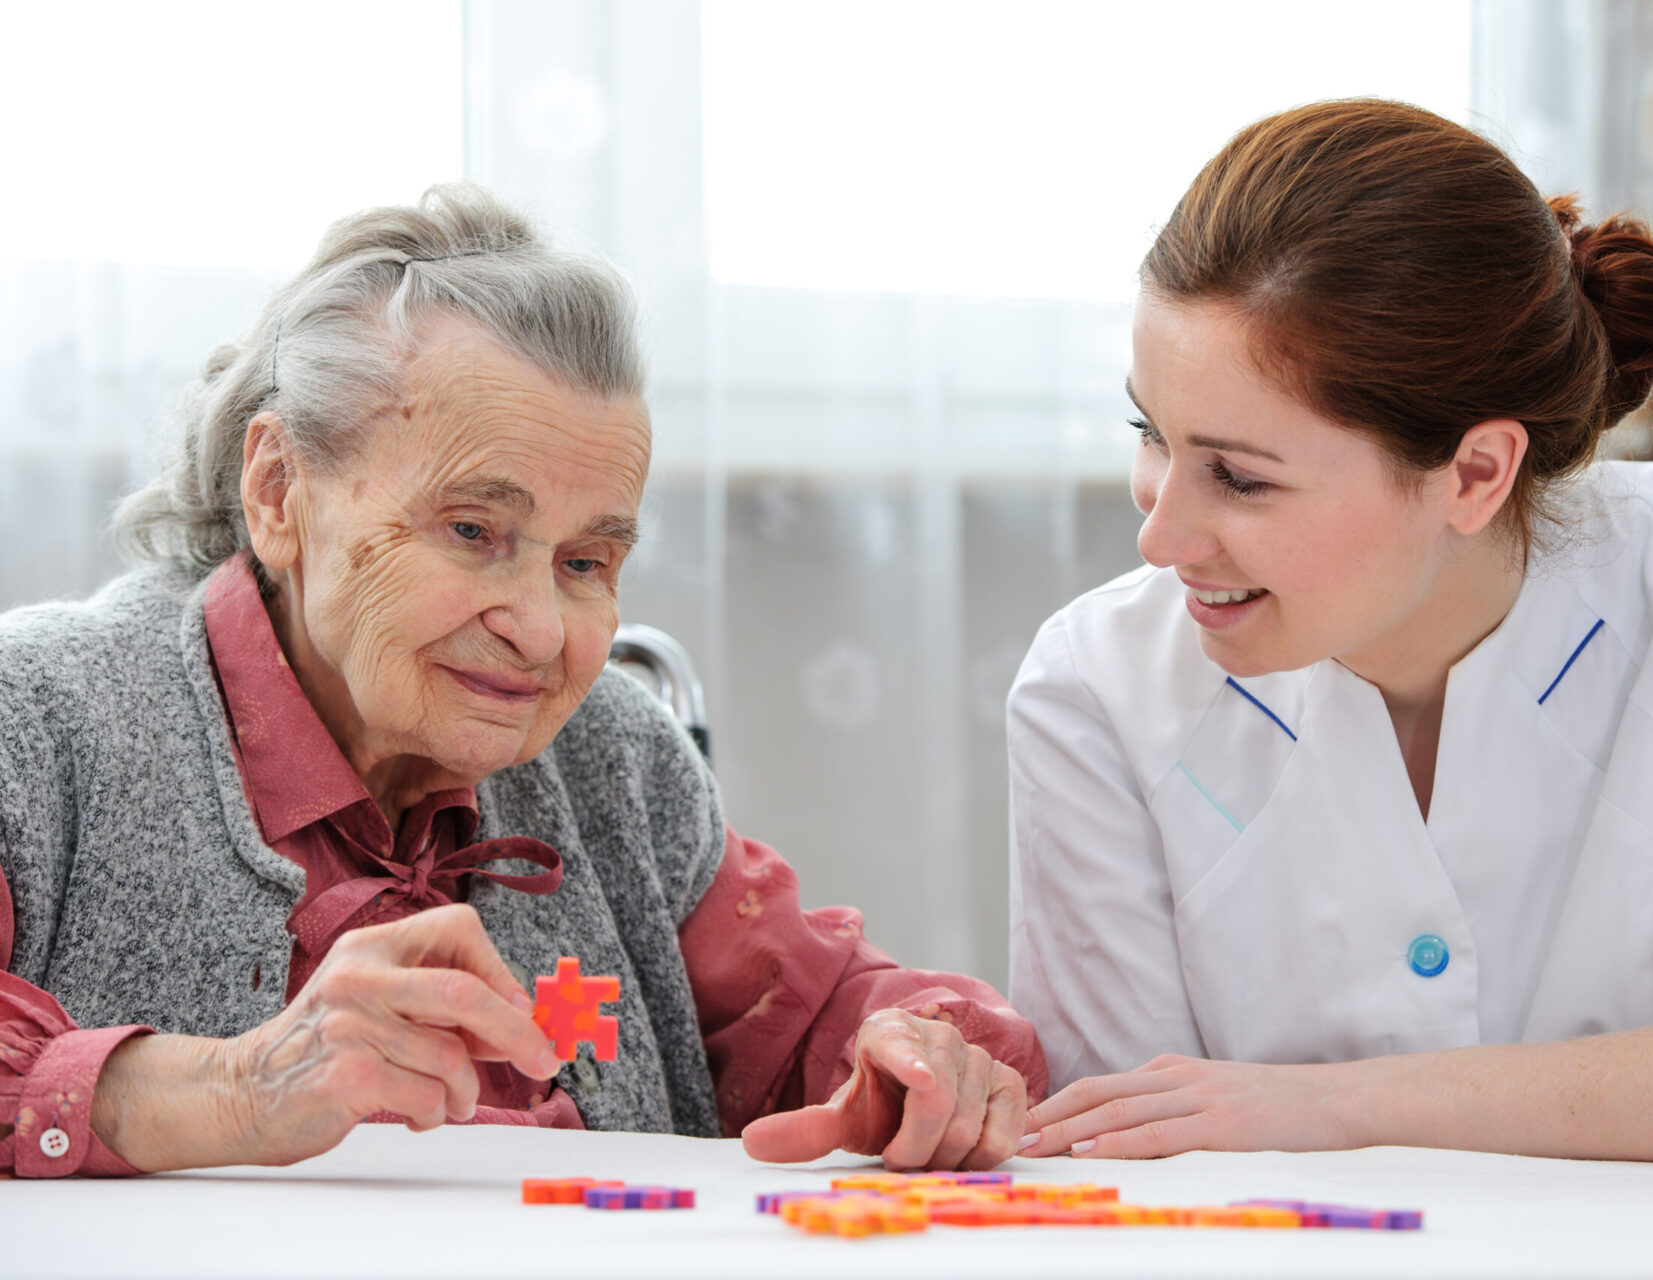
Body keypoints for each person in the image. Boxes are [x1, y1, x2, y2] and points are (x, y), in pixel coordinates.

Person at [0, 185, 1043, 1178]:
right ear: (279, 491)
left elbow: (822, 1010)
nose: (540, 629)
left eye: (585, 562)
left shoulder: (614, 757)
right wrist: (232, 1087)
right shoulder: (42, 721)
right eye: (471, 530)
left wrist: (924, 1051)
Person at [1008, 100, 1653, 1162]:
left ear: (1476, 473)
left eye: (1243, 478)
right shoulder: (1091, 687)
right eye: (1150, 434)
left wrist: (1351, 1103)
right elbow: (1126, 1152)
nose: (1159, 537)